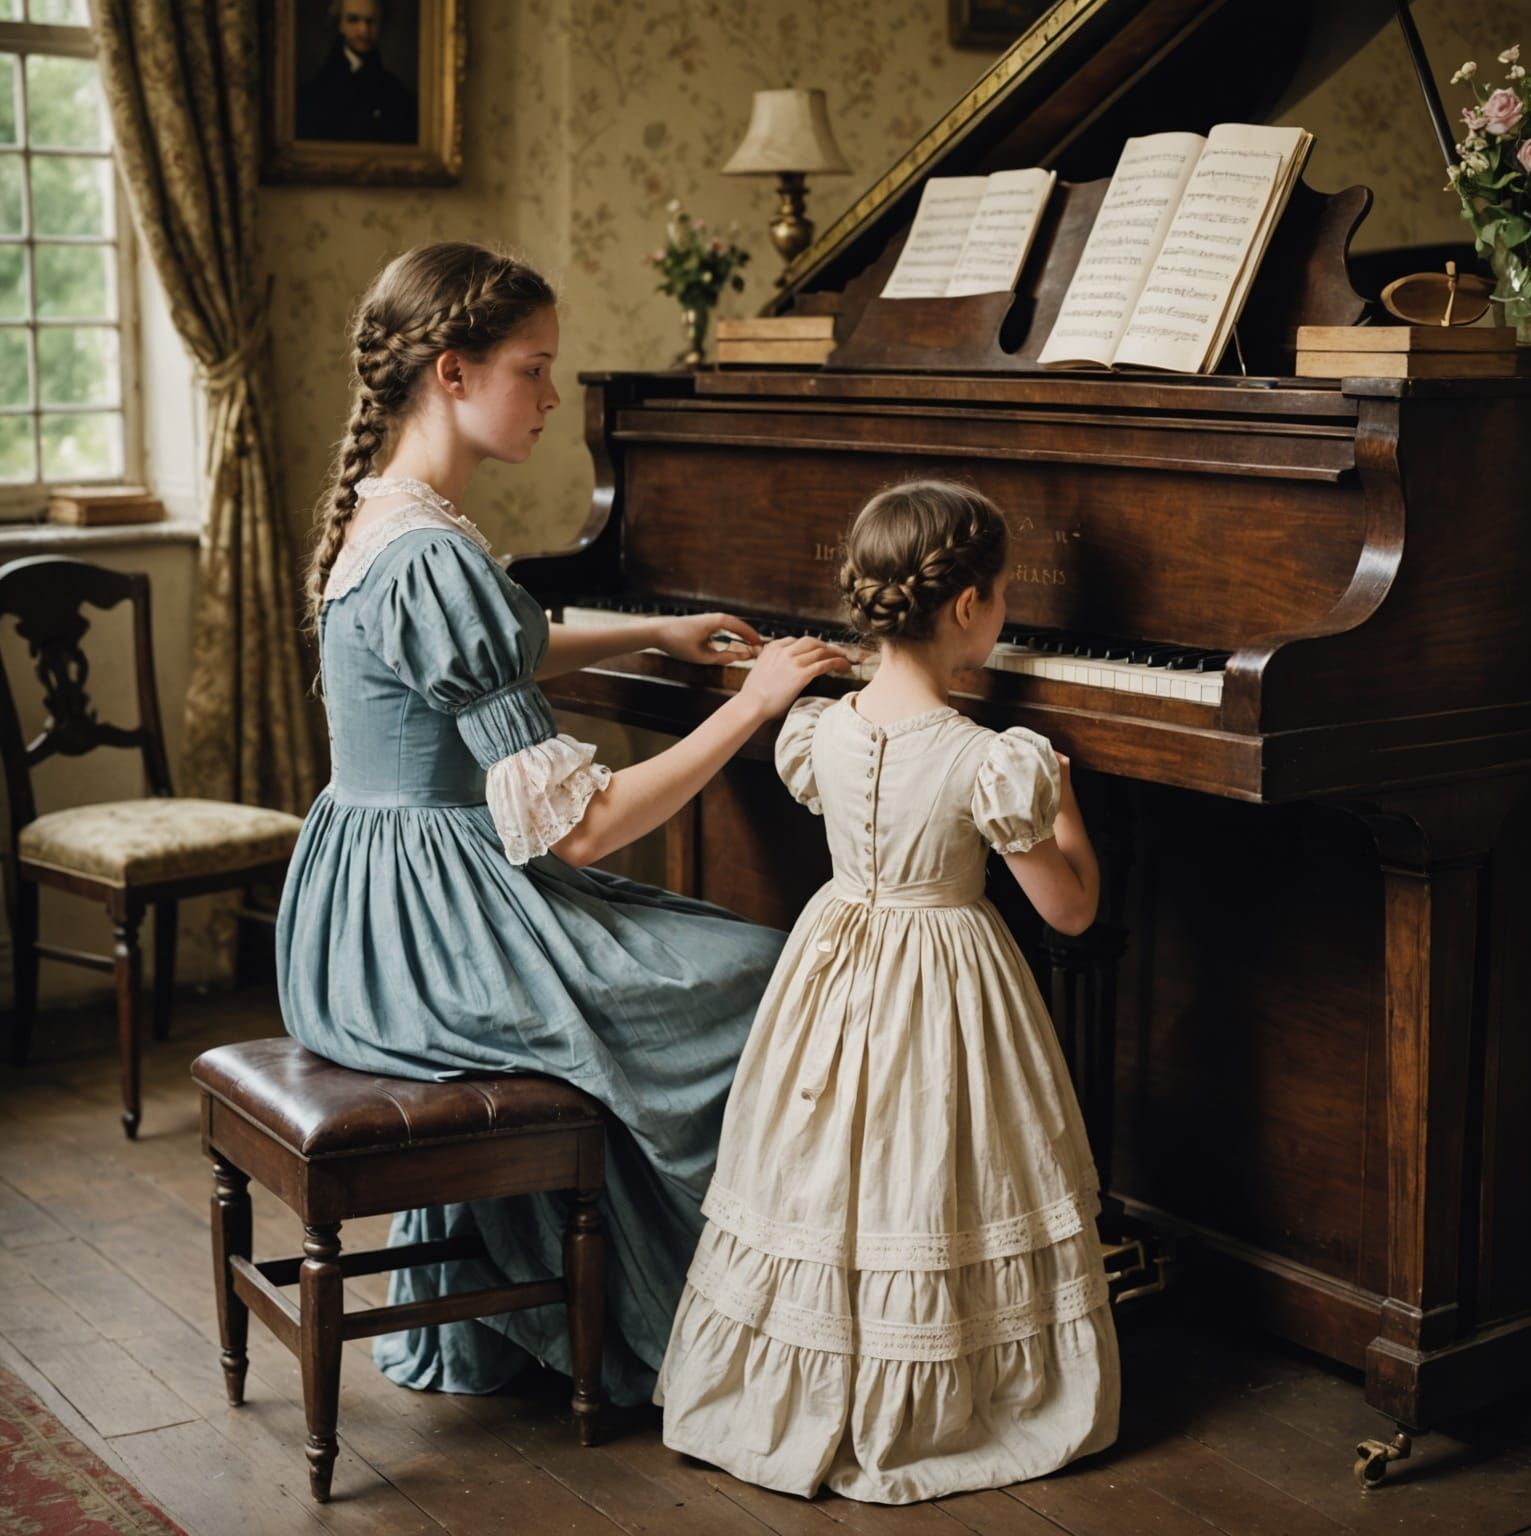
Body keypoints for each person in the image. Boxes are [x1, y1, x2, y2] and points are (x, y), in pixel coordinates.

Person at [275, 241, 852, 1408]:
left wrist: (654, 632)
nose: (549, 397)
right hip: (428, 940)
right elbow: (582, 833)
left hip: (354, 922)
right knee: (770, 971)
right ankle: (746, 1322)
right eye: (533, 370)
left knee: (691, 951)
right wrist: (755, 703)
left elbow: (491, 648)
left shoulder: (386, 517)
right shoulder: (433, 552)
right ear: (451, 371)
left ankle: (550, 1305)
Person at [657, 479, 1120, 1502]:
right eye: (1003, 596)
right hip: (946, 978)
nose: (1007, 613)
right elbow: (1072, 912)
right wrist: (1068, 803)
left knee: (828, 1170)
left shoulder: (819, 730)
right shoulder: (994, 761)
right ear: (966, 608)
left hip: (832, 962)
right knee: (936, 1164)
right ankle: (929, 1396)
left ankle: (800, 1386)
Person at [297, 0, 418, 145]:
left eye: (371, 21)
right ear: (340, 24)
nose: (363, 30)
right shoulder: (313, 93)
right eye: (353, 20)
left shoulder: (398, 93)